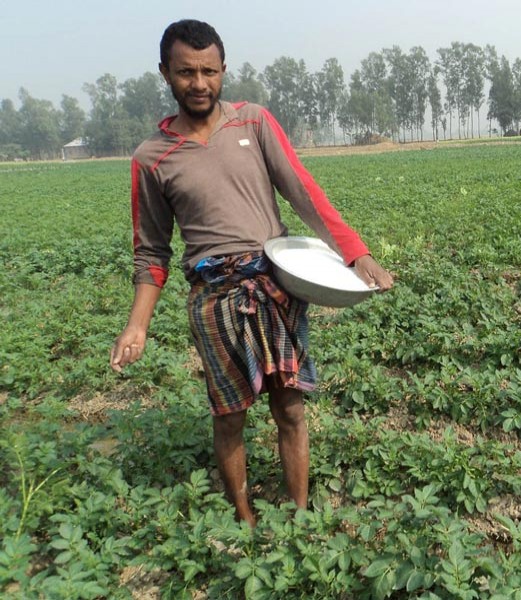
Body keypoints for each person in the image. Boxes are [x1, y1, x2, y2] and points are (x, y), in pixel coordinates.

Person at [109, 19, 393, 526]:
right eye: (186, 72)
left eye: (210, 71)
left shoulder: (254, 123)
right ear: (165, 73)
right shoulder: (151, 159)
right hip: (215, 299)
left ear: (223, 70)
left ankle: (300, 514)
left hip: (274, 285)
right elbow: (151, 252)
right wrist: (137, 325)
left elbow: (303, 192)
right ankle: (245, 521)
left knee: (290, 409)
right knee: (229, 415)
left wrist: (355, 253)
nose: (200, 83)